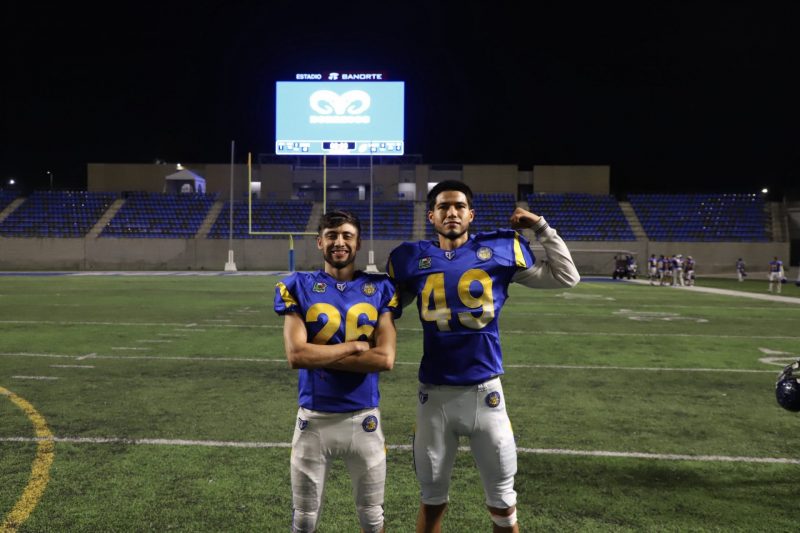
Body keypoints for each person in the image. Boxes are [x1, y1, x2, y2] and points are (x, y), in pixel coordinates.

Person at [386, 181, 580, 533]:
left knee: (503, 505)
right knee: (431, 500)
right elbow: (386, 308)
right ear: (431, 216)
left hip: (485, 395)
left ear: (471, 214)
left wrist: (541, 227)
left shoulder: (499, 250)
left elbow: (567, 276)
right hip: (434, 397)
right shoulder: (410, 259)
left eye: (459, 206)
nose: (452, 212)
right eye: (443, 207)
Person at [274, 210, 399, 533]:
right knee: (304, 519)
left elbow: (385, 359)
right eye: (331, 236)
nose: (339, 242)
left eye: (346, 236)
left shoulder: (380, 288)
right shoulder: (298, 285)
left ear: (358, 243)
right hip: (314, 419)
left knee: (372, 518)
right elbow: (296, 355)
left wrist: (319, 355)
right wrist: (352, 347)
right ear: (320, 242)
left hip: (364, 418)